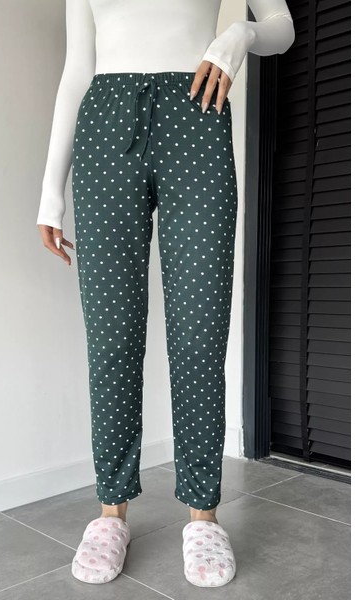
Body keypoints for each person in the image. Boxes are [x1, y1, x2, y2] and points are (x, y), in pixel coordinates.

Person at [36, 0, 295, 588]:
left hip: (198, 112)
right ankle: (111, 512)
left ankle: (203, 515)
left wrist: (239, 34)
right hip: (105, 126)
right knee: (111, 338)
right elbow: (78, 69)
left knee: (200, 331)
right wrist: (51, 191)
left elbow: (281, 27)